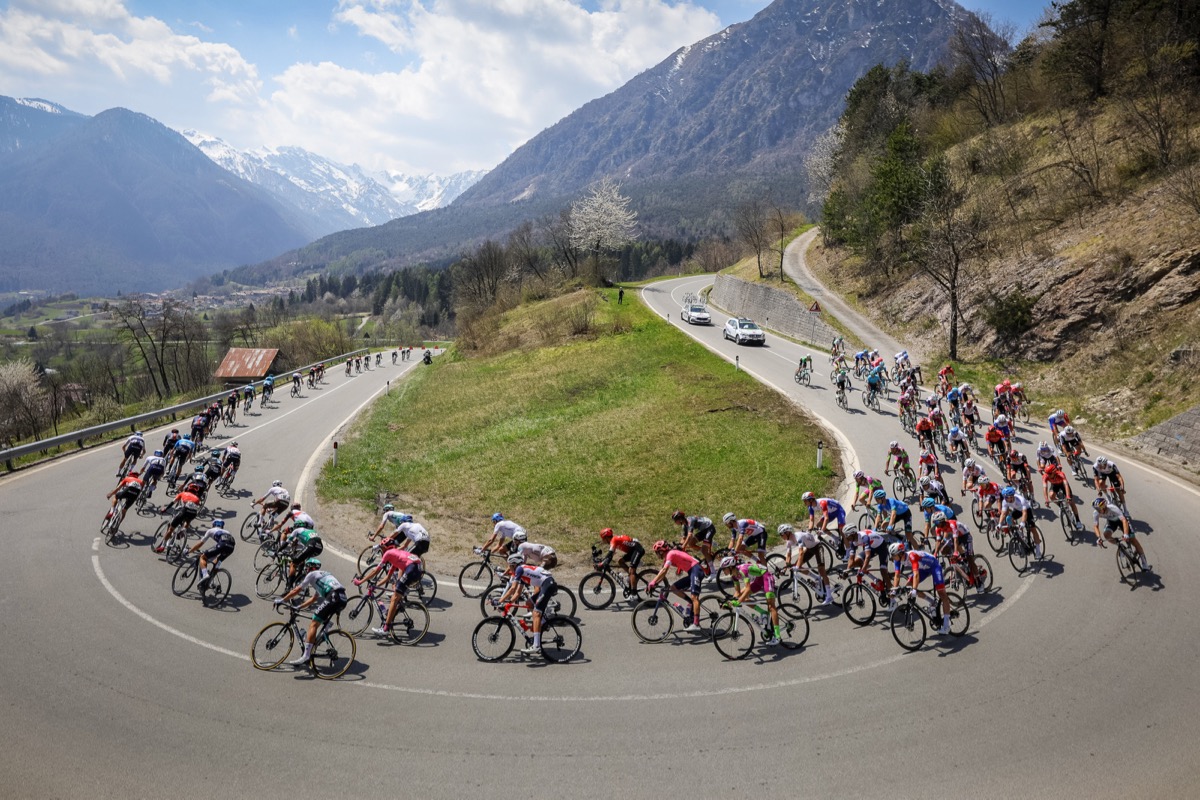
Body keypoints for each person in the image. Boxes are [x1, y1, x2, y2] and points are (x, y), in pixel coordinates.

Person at [275, 559, 348, 665]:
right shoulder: (322, 576)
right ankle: (324, 628)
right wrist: (299, 606)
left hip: (333, 596)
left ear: (311, 568)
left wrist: (282, 600)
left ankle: (306, 656)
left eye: (307, 567)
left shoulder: (312, 574)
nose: (305, 569)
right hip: (342, 598)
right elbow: (314, 599)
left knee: (313, 623)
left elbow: (297, 590)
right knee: (318, 620)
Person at [494, 553, 560, 654]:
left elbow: (512, 589)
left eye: (509, 566)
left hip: (548, 584)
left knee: (536, 613)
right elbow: (517, 593)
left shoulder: (519, 569)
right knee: (529, 603)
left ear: (514, 565)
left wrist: (500, 601)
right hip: (546, 584)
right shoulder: (522, 572)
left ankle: (536, 646)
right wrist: (508, 603)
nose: (509, 569)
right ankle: (542, 623)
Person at [355, 543, 424, 636]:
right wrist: (375, 585)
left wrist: (360, 581)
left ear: (385, 549)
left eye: (381, 550)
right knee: (396, 594)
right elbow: (388, 577)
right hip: (416, 568)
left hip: (412, 569)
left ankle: (386, 628)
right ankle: (392, 615)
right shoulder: (395, 555)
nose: (381, 554)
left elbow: (375, 570)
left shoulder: (388, 553)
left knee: (394, 598)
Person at [889, 542, 953, 634]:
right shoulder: (897, 560)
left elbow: (916, 574)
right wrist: (894, 590)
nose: (892, 558)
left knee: (942, 594)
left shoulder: (912, 556)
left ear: (900, 553)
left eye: (893, 555)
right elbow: (897, 576)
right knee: (908, 587)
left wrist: (914, 590)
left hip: (933, 566)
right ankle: (932, 602)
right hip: (923, 569)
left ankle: (947, 625)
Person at [720, 557, 783, 645]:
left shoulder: (743, 570)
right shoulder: (734, 576)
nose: (723, 571)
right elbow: (737, 593)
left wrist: (738, 602)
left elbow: (748, 588)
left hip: (766, 576)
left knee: (771, 606)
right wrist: (728, 603)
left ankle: (777, 636)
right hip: (758, 579)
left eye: (724, 569)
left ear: (730, 567)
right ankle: (763, 612)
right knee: (742, 597)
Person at [646, 541, 704, 632]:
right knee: (673, 588)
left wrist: (652, 582)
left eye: (657, 553)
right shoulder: (668, 557)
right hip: (692, 572)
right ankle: (691, 602)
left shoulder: (671, 554)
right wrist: (655, 584)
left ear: (661, 551)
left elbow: (665, 570)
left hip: (696, 570)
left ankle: (696, 624)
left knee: (694, 597)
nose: (657, 555)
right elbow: (662, 573)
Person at [777, 523, 833, 605]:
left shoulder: (798, 537)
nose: (781, 536)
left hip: (817, 547)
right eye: (780, 535)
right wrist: (785, 569)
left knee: (821, 570)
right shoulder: (788, 542)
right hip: (809, 549)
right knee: (797, 567)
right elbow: (788, 556)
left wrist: (797, 566)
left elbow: (801, 553)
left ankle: (829, 595)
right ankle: (817, 578)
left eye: (782, 534)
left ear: (788, 532)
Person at [1092, 497, 1149, 568]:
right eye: (1097, 509)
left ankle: (1144, 562)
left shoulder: (1113, 508)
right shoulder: (1096, 513)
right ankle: (1121, 547)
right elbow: (1095, 526)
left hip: (1121, 521)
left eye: (1099, 509)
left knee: (1133, 540)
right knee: (1106, 535)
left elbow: (1124, 521)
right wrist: (1099, 538)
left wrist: (1125, 534)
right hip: (1111, 522)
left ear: (1104, 506)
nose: (1098, 511)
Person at [187, 519, 235, 592]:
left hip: (222, 545)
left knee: (203, 557)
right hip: (231, 548)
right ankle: (209, 582)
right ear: (222, 526)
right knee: (217, 562)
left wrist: (189, 551)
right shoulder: (227, 532)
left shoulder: (210, 530)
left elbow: (200, 544)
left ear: (213, 525)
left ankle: (205, 574)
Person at [598, 528, 645, 599]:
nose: (603, 541)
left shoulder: (613, 540)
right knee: (621, 561)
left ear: (606, 537)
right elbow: (610, 556)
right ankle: (631, 576)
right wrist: (604, 561)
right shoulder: (614, 540)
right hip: (633, 551)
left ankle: (634, 594)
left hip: (637, 549)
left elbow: (610, 554)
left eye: (603, 539)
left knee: (632, 570)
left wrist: (602, 563)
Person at [999, 486, 1042, 558]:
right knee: (1008, 518)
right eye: (1005, 497)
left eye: (1007, 497)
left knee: (1032, 529)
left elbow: (1024, 513)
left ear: (1012, 496)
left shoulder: (1021, 500)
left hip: (1026, 510)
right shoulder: (1005, 501)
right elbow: (1003, 513)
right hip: (1017, 510)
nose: (1006, 499)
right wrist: (999, 524)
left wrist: (1022, 523)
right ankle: (1020, 535)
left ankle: (1038, 550)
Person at [1041, 461, 1081, 529]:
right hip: (1054, 485)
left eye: (1049, 473)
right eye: (1047, 473)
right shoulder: (1045, 476)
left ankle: (1078, 520)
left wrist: (1068, 496)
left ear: (1054, 472)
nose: (1048, 475)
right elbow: (1045, 488)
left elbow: (1066, 485)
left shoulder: (1061, 474)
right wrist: (1046, 499)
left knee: (1071, 502)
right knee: (1051, 496)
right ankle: (1061, 506)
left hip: (1063, 485)